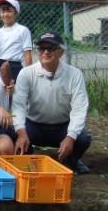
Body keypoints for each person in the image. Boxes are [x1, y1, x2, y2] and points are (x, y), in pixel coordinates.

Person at [12, 32, 92, 174]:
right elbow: (18, 106)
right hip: (34, 125)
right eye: (42, 48)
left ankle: (70, 161)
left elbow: (79, 108)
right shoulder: (26, 73)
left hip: (63, 126)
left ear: (61, 52)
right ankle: (28, 158)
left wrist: (70, 137)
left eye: (51, 48)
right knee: (14, 134)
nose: (46, 52)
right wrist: (21, 133)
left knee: (83, 138)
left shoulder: (74, 74)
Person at [0, 0, 33, 80]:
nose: (6, 14)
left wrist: (29, 74)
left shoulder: (23, 30)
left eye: (9, 11)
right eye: (3, 11)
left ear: (16, 13)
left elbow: (27, 54)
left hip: (15, 66)